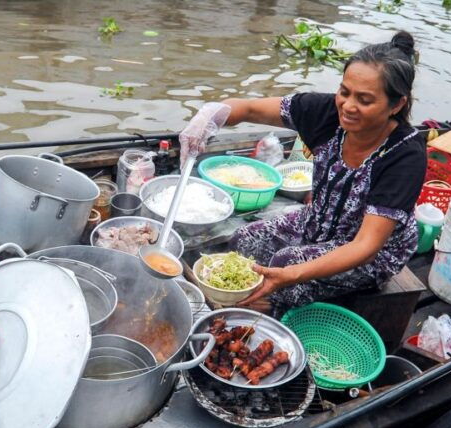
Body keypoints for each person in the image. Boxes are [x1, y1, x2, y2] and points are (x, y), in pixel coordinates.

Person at [180, 31, 426, 316]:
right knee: (243, 241)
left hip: (371, 254)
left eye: (365, 100)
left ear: (396, 104)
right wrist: (209, 116)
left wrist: (293, 274)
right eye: (344, 92)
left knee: (285, 267)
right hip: (317, 222)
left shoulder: (405, 155)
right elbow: (248, 109)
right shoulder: (326, 112)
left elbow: (366, 245)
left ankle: (263, 313)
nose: (348, 106)